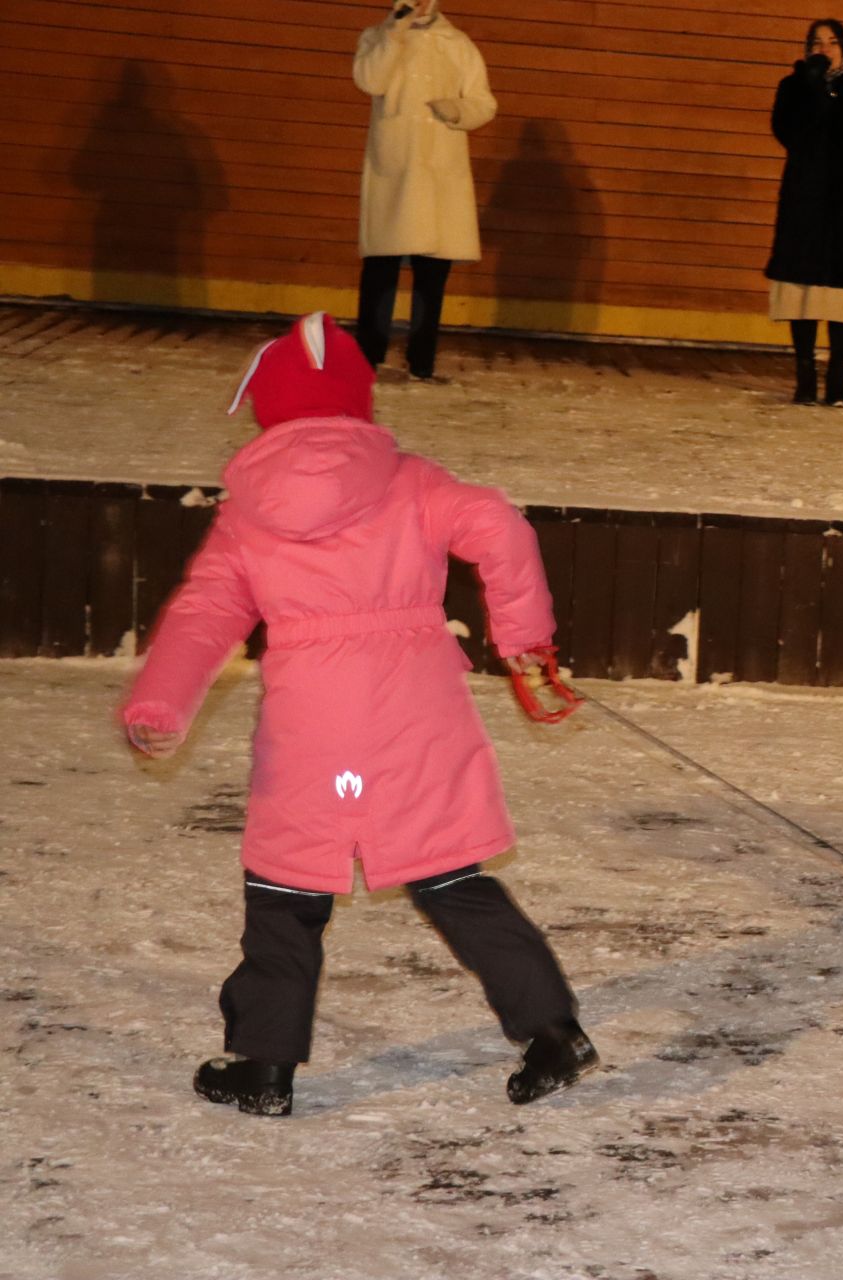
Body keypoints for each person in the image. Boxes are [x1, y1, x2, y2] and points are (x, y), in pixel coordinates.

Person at [121, 313, 595, 1116]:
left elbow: (206, 613)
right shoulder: (411, 480)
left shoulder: (248, 513)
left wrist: (160, 699)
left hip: (316, 728)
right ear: (357, 403)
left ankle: (265, 1065)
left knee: (284, 893)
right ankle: (553, 1031)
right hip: (416, 715)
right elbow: (500, 527)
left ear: (271, 407)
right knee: (451, 878)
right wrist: (522, 637)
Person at [351, 0, 497, 383]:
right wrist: (395, 34)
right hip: (394, 167)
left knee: (432, 273)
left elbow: (483, 102)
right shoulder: (377, 37)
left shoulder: (457, 43)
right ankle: (367, 358)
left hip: (439, 172)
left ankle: (421, 361)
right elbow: (370, 81)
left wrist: (455, 110)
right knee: (380, 268)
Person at [765, 18, 843, 408]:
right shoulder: (794, 88)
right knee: (802, 292)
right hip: (805, 206)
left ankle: (837, 379)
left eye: (832, 42)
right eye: (816, 43)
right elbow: (788, 133)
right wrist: (813, 89)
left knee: (840, 295)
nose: (824, 49)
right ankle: (805, 378)